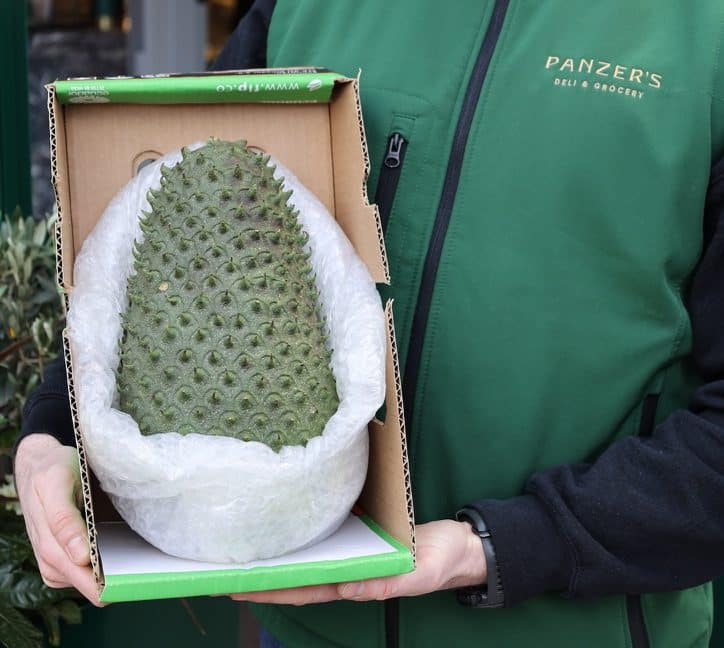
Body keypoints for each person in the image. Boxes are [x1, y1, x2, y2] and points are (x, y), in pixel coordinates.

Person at [14, 1, 724, 646]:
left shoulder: (700, 33)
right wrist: (55, 428)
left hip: (581, 631)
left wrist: (504, 545)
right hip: (309, 631)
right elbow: (179, 254)